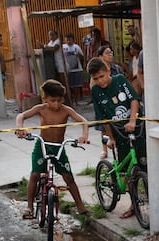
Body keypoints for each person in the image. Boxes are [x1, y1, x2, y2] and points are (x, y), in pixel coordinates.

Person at [15, 80, 90, 220]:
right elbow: (22, 116)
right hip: (42, 146)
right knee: (35, 174)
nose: (56, 104)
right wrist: (20, 127)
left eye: (59, 100)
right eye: (52, 100)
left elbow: (83, 121)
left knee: (69, 177)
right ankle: (29, 207)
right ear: (45, 99)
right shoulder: (41, 109)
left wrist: (84, 135)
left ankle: (80, 206)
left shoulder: (66, 110)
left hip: (59, 148)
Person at [88, 56, 145, 220]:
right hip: (118, 134)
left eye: (102, 76)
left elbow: (134, 99)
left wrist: (132, 120)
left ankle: (149, 200)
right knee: (126, 169)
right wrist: (110, 138)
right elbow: (104, 118)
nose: (100, 81)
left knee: (143, 165)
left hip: (137, 128)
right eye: (95, 78)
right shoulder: (96, 91)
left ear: (108, 71)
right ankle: (133, 205)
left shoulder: (120, 80)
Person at [93, 45, 125, 160]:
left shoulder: (117, 69)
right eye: (107, 53)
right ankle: (104, 149)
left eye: (111, 52)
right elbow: (93, 87)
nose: (110, 55)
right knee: (104, 127)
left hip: (118, 99)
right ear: (100, 56)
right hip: (104, 100)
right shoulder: (96, 71)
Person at [62, 33, 84, 104]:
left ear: (73, 40)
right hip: (67, 69)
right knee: (69, 85)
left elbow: (82, 57)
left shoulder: (76, 47)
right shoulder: (63, 47)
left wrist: (79, 55)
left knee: (77, 85)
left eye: (70, 40)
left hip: (77, 69)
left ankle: (76, 100)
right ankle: (70, 99)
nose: (69, 41)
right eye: (67, 40)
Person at [44, 30, 67, 98]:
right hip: (54, 65)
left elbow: (54, 48)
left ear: (56, 35)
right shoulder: (51, 42)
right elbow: (47, 49)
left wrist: (44, 46)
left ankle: (66, 96)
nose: (50, 36)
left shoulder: (58, 41)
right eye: (49, 35)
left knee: (63, 82)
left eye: (52, 34)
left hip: (61, 64)